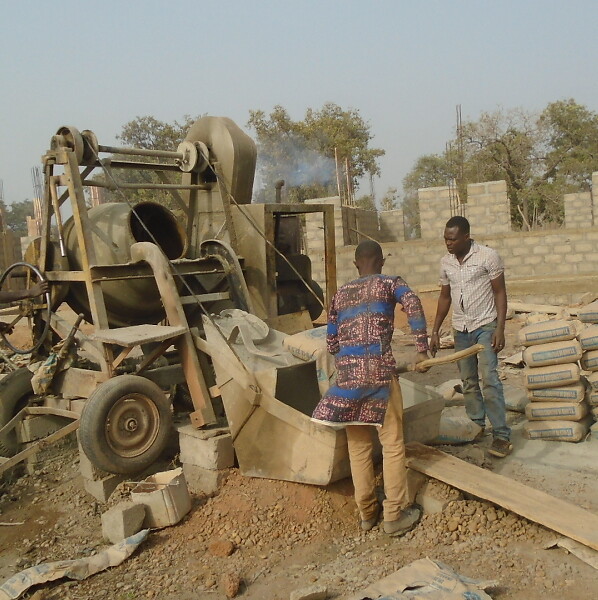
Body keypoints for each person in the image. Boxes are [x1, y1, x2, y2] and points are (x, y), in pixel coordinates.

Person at [312, 240, 429, 535]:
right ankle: (394, 515)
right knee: (392, 445)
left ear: (355, 264)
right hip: (380, 376)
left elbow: (331, 342)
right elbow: (413, 303)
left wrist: (350, 359)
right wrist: (421, 349)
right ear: (382, 260)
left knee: (359, 448)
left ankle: (366, 513)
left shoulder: (340, 294)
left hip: (348, 381)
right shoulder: (390, 283)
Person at [429, 216, 512, 458]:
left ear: (466, 237)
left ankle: (501, 435)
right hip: (461, 329)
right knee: (468, 381)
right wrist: (435, 331)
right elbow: (445, 297)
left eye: (452, 239)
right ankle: (476, 424)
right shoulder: (446, 262)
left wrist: (500, 329)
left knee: (490, 379)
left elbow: (500, 292)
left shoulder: (488, 256)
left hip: (485, 326)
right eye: (445, 239)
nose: (448, 243)